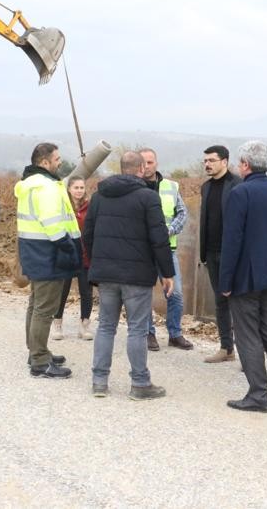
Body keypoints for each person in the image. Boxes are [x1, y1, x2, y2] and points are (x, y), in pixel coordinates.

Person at [86, 151, 175, 399]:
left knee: (105, 326)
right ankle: (139, 384)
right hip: (137, 275)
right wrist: (167, 272)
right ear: (140, 169)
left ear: (121, 168)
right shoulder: (148, 197)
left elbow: (88, 234)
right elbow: (159, 239)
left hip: (106, 274)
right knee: (137, 329)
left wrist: (97, 263)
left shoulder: (99, 196)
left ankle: (99, 381)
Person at [220, 140, 267, 413]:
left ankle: (259, 395)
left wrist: (225, 282)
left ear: (246, 165)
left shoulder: (241, 194)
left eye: (240, 163)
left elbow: (232, 242)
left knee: (248, 335)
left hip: (246, 278)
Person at [15, 143, 81, 379]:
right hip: (49, 254)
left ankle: (36, 351)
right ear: (44, 162)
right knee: (44, 309)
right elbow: (54, 226)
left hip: (34, 251)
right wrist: (69, 248)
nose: (60, 162)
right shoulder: (48, 187)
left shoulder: (29, 185)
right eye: (57, 159)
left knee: (35, 305)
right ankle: (40, 362)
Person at [138, 148, 192, 351]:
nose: (147, 166)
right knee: (144, 295)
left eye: (150, 162)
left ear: (156, 163)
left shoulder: (170, 186)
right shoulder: (133, 188)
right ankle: (148, 333)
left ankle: (175, 334)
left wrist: (168, 231)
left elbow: (182, 213)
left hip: (167, 250)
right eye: (143, 163)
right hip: (142, 251)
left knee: (175, 293)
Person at [199, 145, 241, 363]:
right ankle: (226, 348)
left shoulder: (237, 186)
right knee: (220, 301)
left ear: (224, 161)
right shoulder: (205, 188)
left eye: (211, 160)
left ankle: (247, 354)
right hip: (212, 253)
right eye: (205, 161)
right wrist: (203, 252)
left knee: (239, 302)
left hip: (232, 254)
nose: (207, 164)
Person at [52, 176, 94, 341]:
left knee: (86, 292)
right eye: (75, 187)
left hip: (85, 256)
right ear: (69, 189)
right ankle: (57, 323)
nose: (79, 191)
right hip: (67, 255)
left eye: (81, 188)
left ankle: (84, 326)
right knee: (62, 291)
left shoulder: (90, 207)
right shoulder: (63, 206)